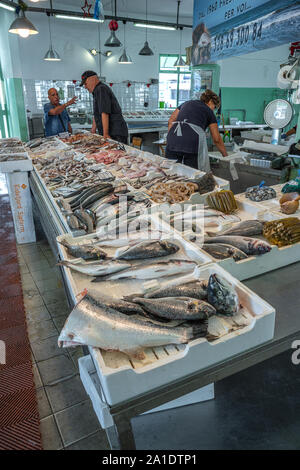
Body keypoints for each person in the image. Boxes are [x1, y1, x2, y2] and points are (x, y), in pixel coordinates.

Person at [165, 89, 228, 170]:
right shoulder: (209, 111)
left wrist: (172, 137)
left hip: (172, 141)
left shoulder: (186, 103)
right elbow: (216, 139)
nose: (213, 110)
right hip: (192, 143)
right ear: (210, 101)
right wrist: (225, 156)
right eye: (214, 107)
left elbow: (171, 120)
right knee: (191, 174)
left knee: (171, 171)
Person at [80, 70, 128, 144]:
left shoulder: (101, 89)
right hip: (112, 132)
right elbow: (97, 114)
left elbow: (104, 112)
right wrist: (93, 130)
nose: (85, 87)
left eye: (86, 84)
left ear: (92, 79)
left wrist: (105, 134)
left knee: (118, 154)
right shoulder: (96, 91)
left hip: (115, 133)